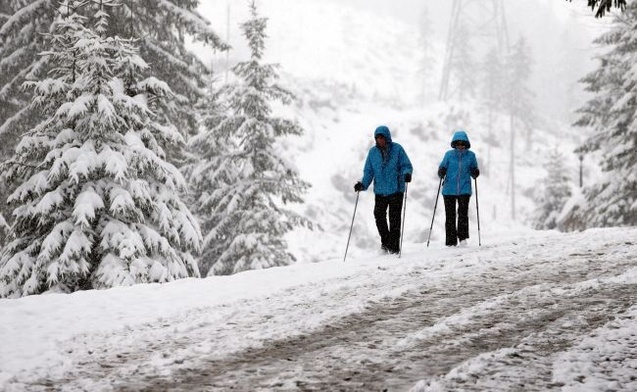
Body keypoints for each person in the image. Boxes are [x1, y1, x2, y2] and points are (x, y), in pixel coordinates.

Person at [354, 125, 413, 254]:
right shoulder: (372, 153)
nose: (380, 140)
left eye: (382, 137)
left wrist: (407, 174)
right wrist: (363, 185)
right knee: (379, 216)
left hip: (396, 190)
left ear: (387, 137)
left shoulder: (397, 149)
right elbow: (369, 171)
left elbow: (406, 165)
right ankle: (386, 243)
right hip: (380, 191)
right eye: (378, 138)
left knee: (394, 219)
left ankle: (394, 247)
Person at [437, 130, 480, 247]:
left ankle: (462, 238)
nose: (460, 146)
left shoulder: (471, 156)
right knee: (450, 215)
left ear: (466, 144)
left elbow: (474, 171)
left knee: (463, 214)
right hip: (449, 189)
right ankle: (451, 241)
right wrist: (441, 171)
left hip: (464, 189)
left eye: (462, 144)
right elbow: (442, 167)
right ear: (454, 144)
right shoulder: (449, 155)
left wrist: (475, 172)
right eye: (458, 143)